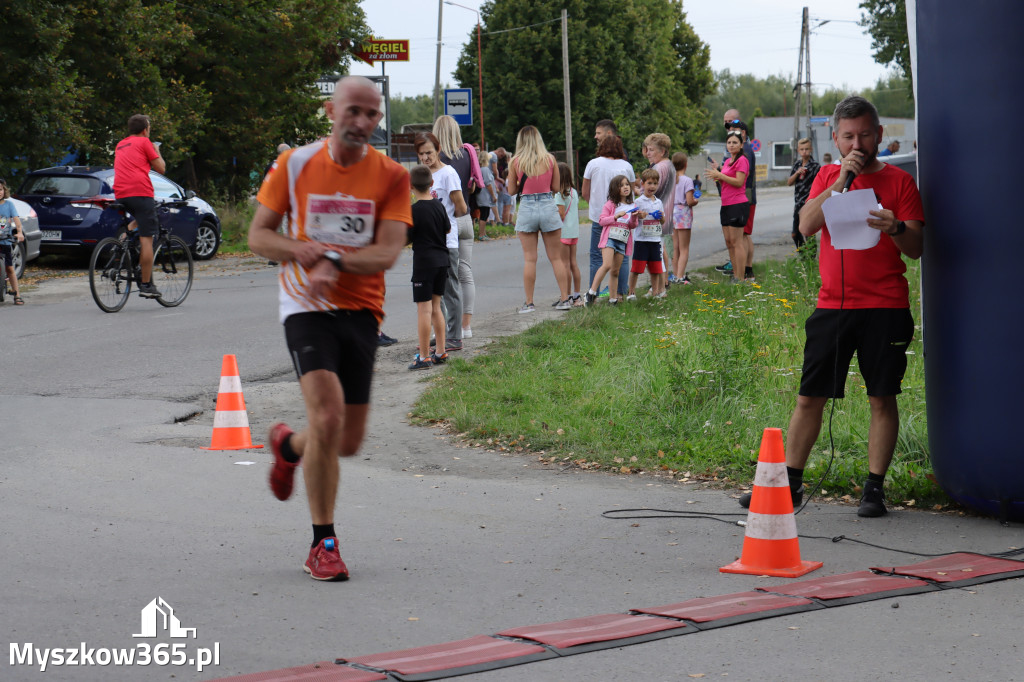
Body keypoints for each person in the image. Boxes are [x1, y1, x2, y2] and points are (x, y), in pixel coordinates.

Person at [248, 76, 411, 581]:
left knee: (344, 440)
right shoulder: (294, 164)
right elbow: (258, 235)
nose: (362, 123)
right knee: (328, 414)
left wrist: (335, 259)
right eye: (354, 111)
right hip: (304, 307)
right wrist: (300, 251)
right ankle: (324, 544)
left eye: (372, 115)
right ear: (330, 111)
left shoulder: (391, 175)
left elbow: (387, 251)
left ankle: (289, 447)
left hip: (362, 310)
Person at [739, 95, 924, 518]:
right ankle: (792, 484)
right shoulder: (826, 175)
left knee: (882, 397)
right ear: (836, 139)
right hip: (833, 306)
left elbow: (916, 249)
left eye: (864, 135)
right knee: (809, 397)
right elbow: (805, 226)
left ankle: (874, 489)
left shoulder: (900, 182)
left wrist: (894, 226)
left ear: (878, 134)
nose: (857, 144)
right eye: (848, 137)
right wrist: (840, 183)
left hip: (885, 306)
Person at [506, 125, 570, 313]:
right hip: (547, 205)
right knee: (556, 257)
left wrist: (520, 183)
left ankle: (529, 303)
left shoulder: (515, 162)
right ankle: (565, 299)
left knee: (530, 259)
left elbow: (511, 191)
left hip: (527, 207)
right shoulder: (550, 160)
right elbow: (556, 187)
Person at [414, 132, 467, 352]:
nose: (425, 158)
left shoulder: (448, 173)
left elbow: (461, 207)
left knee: (450, 288)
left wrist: (441, 218)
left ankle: (455, 335)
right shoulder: (421, 176)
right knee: (436, 295)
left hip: (447, 240)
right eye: (421, 154)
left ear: (438, 150)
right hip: (428, 244)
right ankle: (442, 333)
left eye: (429, 152)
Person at [433, 115, 481, 352]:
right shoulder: (467, 154)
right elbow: (473, 185)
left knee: (445, 278)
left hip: (446, 221)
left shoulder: (436, 158)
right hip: (466, 218)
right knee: (465, 273)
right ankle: (466, 326)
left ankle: (443, 327)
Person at [113, 113, 166, 299]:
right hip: (140, 192)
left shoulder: (121, 144)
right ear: (145, 129)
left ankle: (123, 239)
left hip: (120, 192)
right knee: (147, 239)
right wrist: (156, 149)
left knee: (139, 219)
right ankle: (146, 285)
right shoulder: (145, 142)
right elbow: (161, 168)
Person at [582, 123, 634, 298]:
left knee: (597, 256)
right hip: (622, 220)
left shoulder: (592, 164)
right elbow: (630, 192)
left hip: (600, 218)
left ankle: (593, 293)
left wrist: (597, 205)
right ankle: (620, 293)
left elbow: (585, 192)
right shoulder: (626, 166)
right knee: (623, 256)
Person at [407, 165, 449, 370]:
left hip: (424, 264)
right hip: (442, 261)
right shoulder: (439, 206)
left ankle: (423, 356)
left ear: (410, 186)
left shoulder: (412, 211)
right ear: (432, 184)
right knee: (436, 307)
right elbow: (447, 228)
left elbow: (406, 237)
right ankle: (440, 351)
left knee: (423, 309)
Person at [704, 130, 749, 283]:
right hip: (726, 204)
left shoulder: (742, 160)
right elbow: (725, 182)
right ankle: (735, 275)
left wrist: (720, 174)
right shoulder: (729, 161)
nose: (731, 145)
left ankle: (741, 278)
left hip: (738, 204)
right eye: (729, 142)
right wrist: (718, 177)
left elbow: (738, 182)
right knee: (729, 242)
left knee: (737, 242)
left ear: (741, 144)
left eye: (735, 142)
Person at [585, 175, 637, 305]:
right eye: (621, 185)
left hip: (622, 241)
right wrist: (615, 216)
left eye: (627, 184)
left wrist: (635, 217)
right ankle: (591, 293)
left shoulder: (632, 205)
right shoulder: (611, 204)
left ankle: (613, 300)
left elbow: (631, 225)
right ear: (615, 189)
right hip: (610, 238)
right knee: (607, 265)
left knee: (615, 271)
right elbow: (602, 220)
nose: (625, 187)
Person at [639, 133, 675, 285]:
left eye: (652, 150)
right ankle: (663, 282)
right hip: (665, 212)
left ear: (662, 151)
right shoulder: (669, 165)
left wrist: (638, 191)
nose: (648, 153)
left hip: (657, 215)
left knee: (659, 251)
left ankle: (661, 283)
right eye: (647, 149)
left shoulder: (659, 167)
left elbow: (648, 191)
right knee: (662, 249)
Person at [627, 169, 667, 299]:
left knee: (655, 268)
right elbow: (632, 219)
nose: (652, 186)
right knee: (636, 268)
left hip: (655, 240)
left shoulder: (658, 202)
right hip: (641, 240)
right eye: (649, 183)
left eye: (655, 183)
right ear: (642, 184)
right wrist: (639, 216)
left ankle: (655, 292)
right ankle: (631, 292)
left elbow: (663, 221)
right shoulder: (638, 202)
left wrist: (661, 217)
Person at [554, 161, 583, 306]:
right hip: (574, 232)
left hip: (563, 232)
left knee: (564, 264)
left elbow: (561, 214)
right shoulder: (573, 191)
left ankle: (566, 295)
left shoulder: (559, 194)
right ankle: (577, 295)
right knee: (573, 263)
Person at [786, 137, 820, 249]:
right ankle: (804, 257)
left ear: (811, 150)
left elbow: (820, 184)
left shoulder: (815, 166)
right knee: (795, 234)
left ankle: (811, 260)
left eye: (806, 149)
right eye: (802, 149)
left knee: (809, 233)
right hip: (798, 203)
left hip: (810, 203)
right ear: (798, 151)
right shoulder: (797, 164)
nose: (804, 151)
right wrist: (796, 173)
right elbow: (789, 182)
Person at [670, 153, 697, 284]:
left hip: (671, 213)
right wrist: (696, 200)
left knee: (675, 247)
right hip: (683, 213)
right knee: (684, 248)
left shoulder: (670, 180)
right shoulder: (687, 181)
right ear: (685, 164)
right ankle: (681, 277)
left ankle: (675, 275)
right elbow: (689, 201)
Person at [0, 179, 25, 305]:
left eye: (0, 189)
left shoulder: (9, 205)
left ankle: (17, 295)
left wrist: (19, 232)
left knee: (10, 268)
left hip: (5, 241)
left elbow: (16, 220)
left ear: (4, 191)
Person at [476, 153, 497, 242]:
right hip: (485, 196)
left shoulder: (481, 169)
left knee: (485, 214)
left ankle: (483, 233)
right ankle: (481, 234)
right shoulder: (485, 169)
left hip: (482, 196)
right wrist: (493, 195)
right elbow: (488, 184)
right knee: (484, 214)